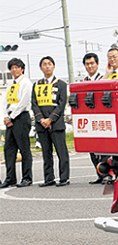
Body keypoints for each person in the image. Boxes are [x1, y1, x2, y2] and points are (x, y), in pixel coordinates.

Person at [32, 56, 70, 187]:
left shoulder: (61, 84)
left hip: (56, 123)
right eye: (44, 64)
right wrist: (41, 119)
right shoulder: (36, 84)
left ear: (54, 66)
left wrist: (50, 119)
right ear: (41, 68)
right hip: (41, 124)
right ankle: (49, 178)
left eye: (49, 64)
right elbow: (34, 103)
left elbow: (61, 103)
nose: (47, 66)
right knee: (46, 152)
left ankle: (64, 177)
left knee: (61, 152)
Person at [0, 58, 33, 189]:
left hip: (21, 118)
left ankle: (27, 178)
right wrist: (6, 117)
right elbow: (5, 102)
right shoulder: (10, 84)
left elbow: (23, 103)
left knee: (24, 149)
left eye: (17, 67)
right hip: (10, 119)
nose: (14, 70)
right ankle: (10, 178)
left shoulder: (26, 83)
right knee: (8, 149)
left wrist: (12, 117)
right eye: (12, 68)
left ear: (22, 68)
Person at [82, 52, 110, 184]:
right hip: (88, 118)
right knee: (92, 148)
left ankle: (106, 174)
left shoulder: (103, 79)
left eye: (92, 63)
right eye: (87, 64)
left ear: (97, 64)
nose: (90, 66)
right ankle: (99, 174)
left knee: (104, 148)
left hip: (101, 117)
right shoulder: (83, 82)